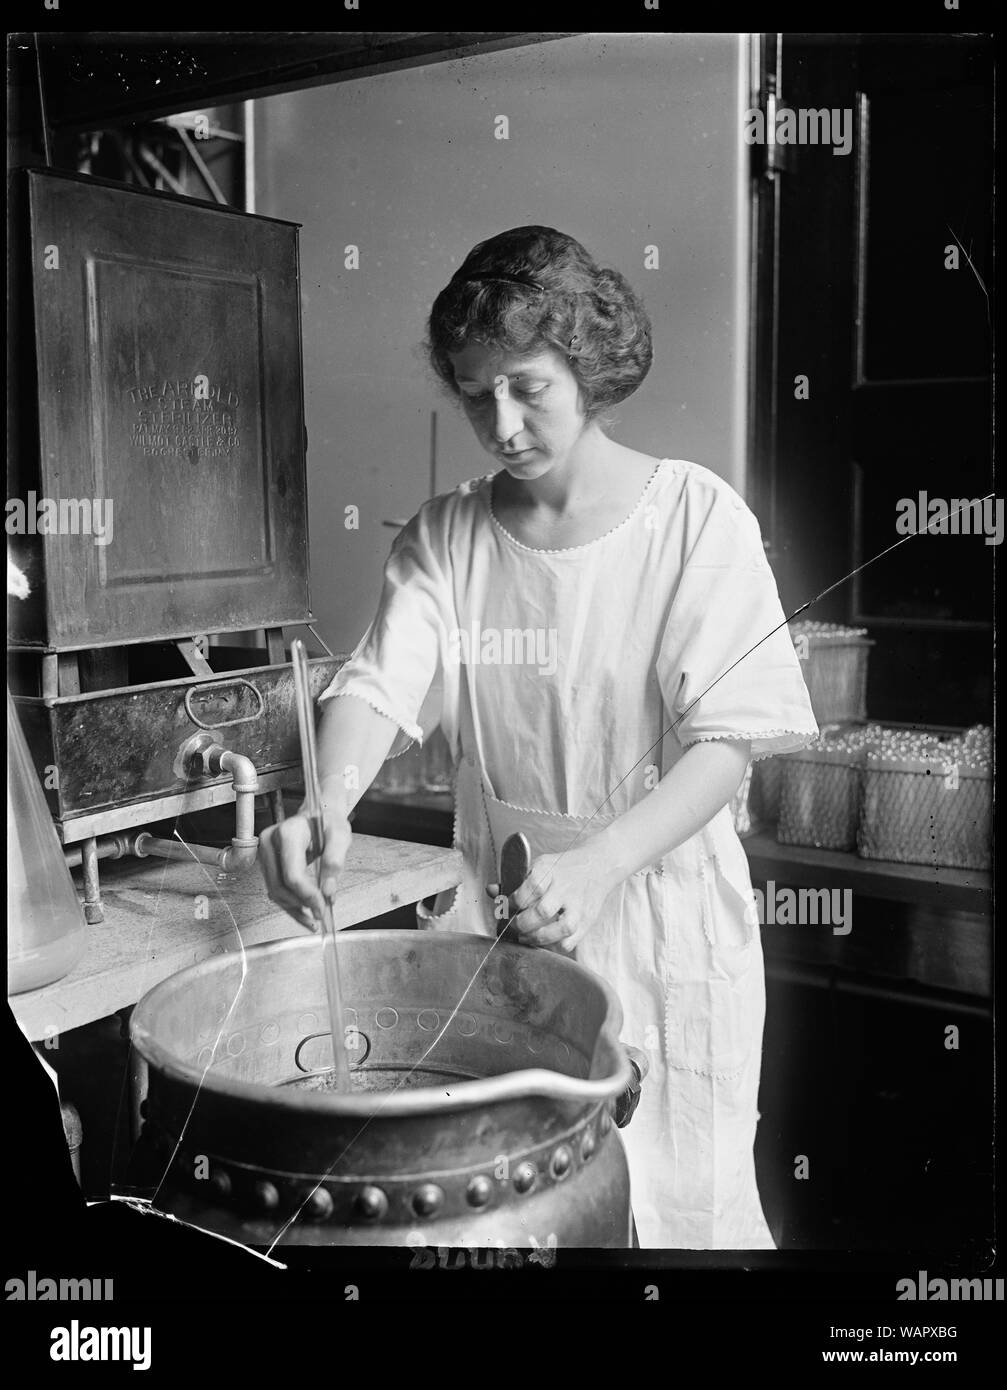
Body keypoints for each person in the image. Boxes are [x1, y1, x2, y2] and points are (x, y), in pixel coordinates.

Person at [258, 225, 818, 1248]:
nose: (500, 423)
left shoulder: (693, 518)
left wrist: (601, 861)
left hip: (660, 923)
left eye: (524, 385)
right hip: (506, 928)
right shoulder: (448, 534)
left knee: (671, 1222)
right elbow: (380, 688)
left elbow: (726, 744)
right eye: (474, 394)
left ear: (586, 365)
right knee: (522, 1223)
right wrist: (323, 804)